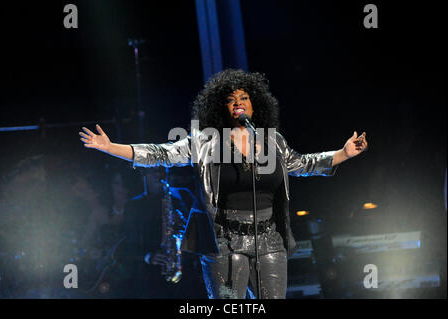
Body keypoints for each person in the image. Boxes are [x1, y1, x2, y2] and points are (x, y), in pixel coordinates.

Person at [79, 69, 368, 299]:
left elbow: (302, 164)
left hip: (269, 239)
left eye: (244, 97)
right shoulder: (204, 142)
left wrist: (343, 153)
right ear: (222, 108)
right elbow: (161, 154)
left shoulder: (272, 141)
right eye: (231, 99)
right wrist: (110, 147)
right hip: (223, 241)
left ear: (256, 105)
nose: (238, 102)